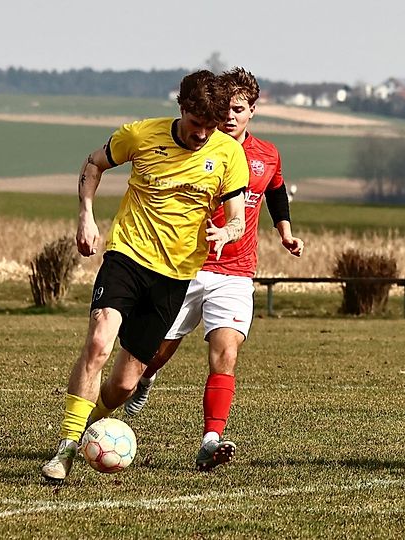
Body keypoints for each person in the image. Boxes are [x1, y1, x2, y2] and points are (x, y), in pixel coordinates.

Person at [40, 70, 249, 483]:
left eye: (210, 127)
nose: (202, 134)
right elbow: (94, 163)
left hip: (175, 276)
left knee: (124, 384)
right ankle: (65, 448)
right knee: (99, 341)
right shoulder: (140, 135)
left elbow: (238, 218)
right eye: (196, 123)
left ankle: (89, 428)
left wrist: (226, 231)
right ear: (181, 108)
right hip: (127, 256)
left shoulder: (228, 154)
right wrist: (86, 216)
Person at [117, 67, 304, 472]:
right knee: (155, 353)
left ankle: (211, 439)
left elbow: (276, 192)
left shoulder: (267, 155)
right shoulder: (202, 147)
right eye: (225, 110)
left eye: (239, 109)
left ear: (252, 111)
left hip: (236, 272)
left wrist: (285, 232)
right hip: (187, 266)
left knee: (226, 353)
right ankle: (145, 380)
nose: (230, 117)